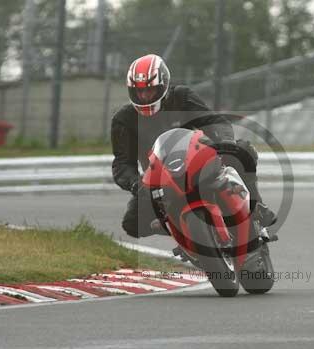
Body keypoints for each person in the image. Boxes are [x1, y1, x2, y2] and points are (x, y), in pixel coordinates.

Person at [111, 54, 276, 238]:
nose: (143, 96)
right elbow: (122, 163)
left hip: (199, 160)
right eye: (138, 92)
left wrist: (225, 142)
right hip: (159, 180)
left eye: (149, 90)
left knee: (243, 150)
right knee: (132, 224)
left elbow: (214, 121)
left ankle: (256, 207)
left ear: (163, 85)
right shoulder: (124, 119)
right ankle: (179, 233)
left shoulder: (182, 97)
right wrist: (136, 184)